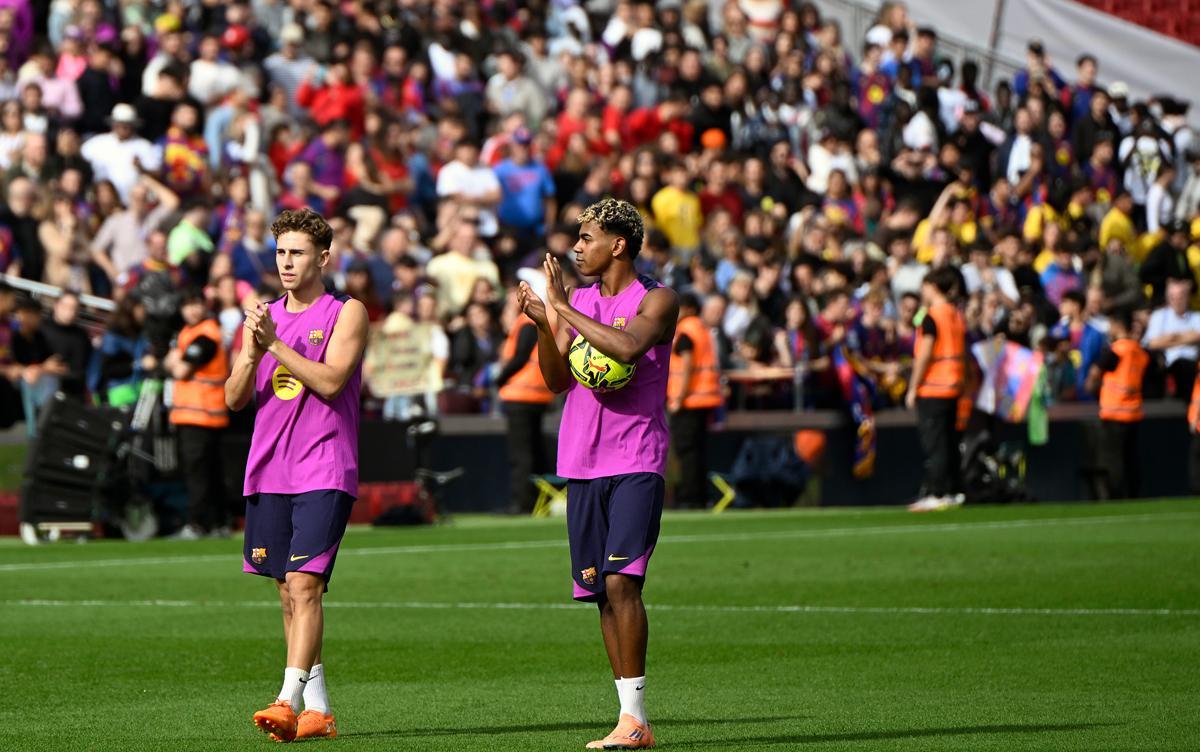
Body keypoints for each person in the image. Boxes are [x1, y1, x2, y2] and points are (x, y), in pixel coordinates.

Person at [519, 198, 677, 749]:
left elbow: (629, 345)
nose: (576, 247)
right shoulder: (579, 300)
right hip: (582, 462)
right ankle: (628, 717)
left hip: (636, 458)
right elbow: (558, 380)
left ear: (619, 244)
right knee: (601, 595)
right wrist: (545, 324)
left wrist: (562, 305)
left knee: (622, 581)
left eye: (587, 237)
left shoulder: (658, 300)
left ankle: (636, 720)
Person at [225, 208, 368, 742]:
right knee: (288, 593)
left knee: (306, 584)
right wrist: (249, 351)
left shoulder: (346, 312)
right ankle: (319, 710)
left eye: (298, 253)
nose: (286, 262)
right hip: (268, 470)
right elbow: (234, 399)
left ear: (323, 257)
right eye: (281, 252)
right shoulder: (261, 317)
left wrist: (275, 344)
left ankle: (286, 700)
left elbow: (331, 382)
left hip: (324, 466)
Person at [165, 289, 230, 539]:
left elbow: (179, 369)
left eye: (196, 304)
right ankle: (218, 523)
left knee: (198, 473)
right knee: (211, 471)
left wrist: (173, 360)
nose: (192, 310)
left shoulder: (205, 336)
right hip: (204, 414)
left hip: (199, 415)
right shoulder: (190, 333)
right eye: (187, 305)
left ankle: (198, 523)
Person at [906, 266, 967, 512]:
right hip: (954, 387)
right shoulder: (954, 314)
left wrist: (913, 387)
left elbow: (924, 354)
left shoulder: (931, 316)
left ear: (932, 287)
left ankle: (936, 492)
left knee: (936, 443)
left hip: (933, 388)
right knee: (950, 442)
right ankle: (952, 490)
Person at [495, 287, 555, 512]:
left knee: (521, 453)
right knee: (533, 450)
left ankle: (522, 503)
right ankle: (538, 501)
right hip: (537, 395)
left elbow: (520, 357)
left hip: (520, 395)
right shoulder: (536, 321)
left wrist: (500, 378)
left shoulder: (526, 322)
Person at [667, 292, 723, 508]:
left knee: (687, 452)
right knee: (698, 451)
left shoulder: (686, 331)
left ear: (688, 308)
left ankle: (690, 498)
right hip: (705, 399)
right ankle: (699, 495)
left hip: (689, 400)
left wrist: (678, 397)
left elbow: (687, 363)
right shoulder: (701, 329)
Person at [1087, 310, 1148, 499]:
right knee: (1131, 459)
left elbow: (1093, 377)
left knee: (1113, 460)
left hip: (1114, 413)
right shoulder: (1139, 352)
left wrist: (1093, 387)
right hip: (1134, 413)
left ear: (1118, 325)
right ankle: (1133, 495)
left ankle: (1115, 496)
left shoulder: (1116, 351)